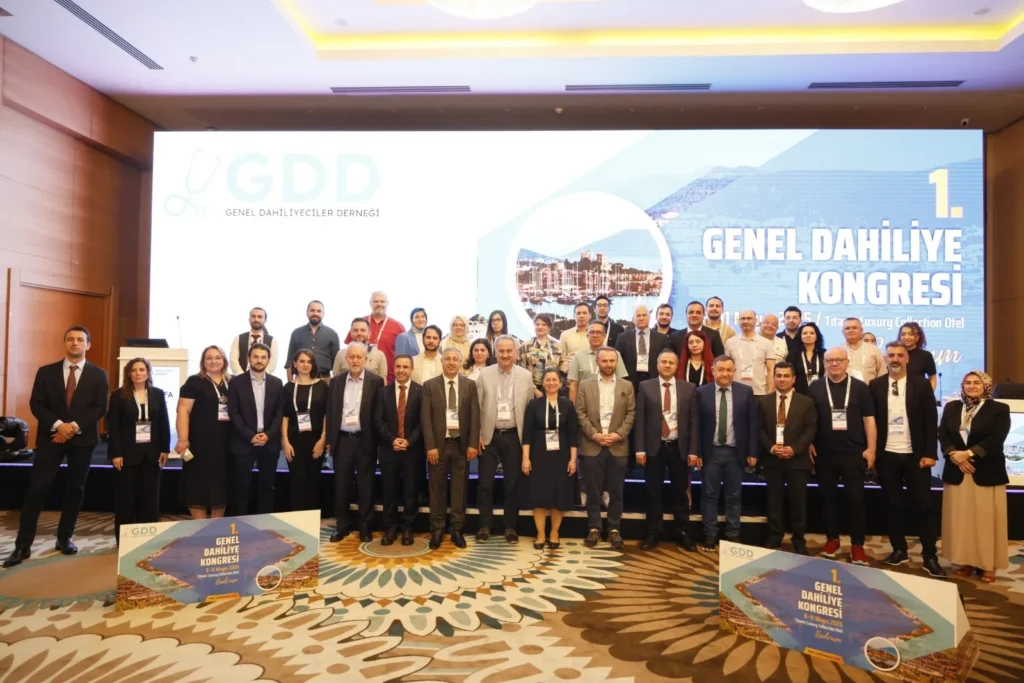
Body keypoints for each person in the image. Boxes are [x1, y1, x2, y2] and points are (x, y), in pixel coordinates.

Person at [5, 326, 109, 568]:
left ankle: (64, 538)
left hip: (82, 441)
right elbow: (36, 404)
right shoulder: (46, 372)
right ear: (65, 343)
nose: (75, 343)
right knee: (37, 490)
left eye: (80, 339)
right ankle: (22, 545)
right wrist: (59, 426)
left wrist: (72, 428)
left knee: (75, 490)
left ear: (88, 345)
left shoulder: (99, 375)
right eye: (70, 339)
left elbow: (99, 408)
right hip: (50, 439)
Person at [869, 342, 943, 577]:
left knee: (923, 506)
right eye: (891, 355)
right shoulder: (875, 385)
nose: (896, 359)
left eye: (900, 355)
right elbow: (871, 421)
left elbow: (931, 420)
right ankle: (899, 550)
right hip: (886, 456)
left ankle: (929, 556)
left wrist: (930, 453)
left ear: (907, 359)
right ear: (885, 358)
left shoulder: (921, 384)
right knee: (892, 505)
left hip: (916, 457)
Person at [939, 371, 1011, 583]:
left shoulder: (999, 409)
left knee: (985, 521)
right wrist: (955, 456)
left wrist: (969, 454)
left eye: (976, 382)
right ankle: (966, 561)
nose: (971, 386)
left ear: (986, 385)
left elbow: (996, 438)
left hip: (986, 472)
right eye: (967, 383)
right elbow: (943, 433)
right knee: (962, 520)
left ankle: (988, 565)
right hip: (957, 471)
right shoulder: (952, 407)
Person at [809, 347, 876, 566]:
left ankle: (857, 545)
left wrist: (871, 449)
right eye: (830, 360)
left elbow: (869, 420)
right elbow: (808, 420)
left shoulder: (860, 387)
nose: (834, 363)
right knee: (827, 499)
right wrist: (809, 443)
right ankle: (832, 540)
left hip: (853, 453)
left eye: (839, 360)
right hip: (824, 454)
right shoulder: (815, 387)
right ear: (824, 364)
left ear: (847, 362)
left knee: (856, 500)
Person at [635, 349, 699, 551]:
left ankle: (682, 532)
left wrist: (693, 451)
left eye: (671, 362)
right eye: (664, 362)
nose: (668, 365)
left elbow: (694, 422)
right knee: (653, 492)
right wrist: (640, 449)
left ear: (677, 365)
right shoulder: (645, 387)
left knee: (680, 492)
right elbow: (640, 420)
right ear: (657, 365)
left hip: (679, 448)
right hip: (654, 449)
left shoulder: (689, 388)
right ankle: (653, 533)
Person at [695, 355, 759, 552]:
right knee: (709, 495)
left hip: (736, 452)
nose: (725, 373)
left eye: (729, 370)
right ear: (713, 371)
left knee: (734, 496)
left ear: (734, 371)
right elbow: (696, 425)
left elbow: (753, 424)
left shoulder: (745, 392)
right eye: (721, 369)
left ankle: (733, 533)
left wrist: (752, 451)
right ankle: (710, 534)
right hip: (711, 452)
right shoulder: (701, 392)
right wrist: (697, 452)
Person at [575, 347, 636, 549]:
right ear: (597, 362)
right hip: (592, 444)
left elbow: (631, 414)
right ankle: (594, 528)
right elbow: (580, 413)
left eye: (612, 360)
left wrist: (618, 434)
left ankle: (614, 529)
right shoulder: (585, 385)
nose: (608, 364)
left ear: (616, 362)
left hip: (618, 445)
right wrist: (594, 434)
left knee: (616, 491)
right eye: (604, 361)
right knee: (592, 491)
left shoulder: (627, 385)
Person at [476, 336, 535, 543]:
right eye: (501, 351)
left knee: (512, 485)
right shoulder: (484, 374)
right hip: (489, 436)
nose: (505, 354)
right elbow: (476, 407)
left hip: (513, 436)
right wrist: (477, 435)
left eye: (509, 351)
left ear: (516, 353)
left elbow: (529, 410)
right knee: (485, 484)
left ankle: (510, 527)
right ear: (495, 352)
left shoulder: (526, 376)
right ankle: (484, 526)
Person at [421, 347, 480, 549]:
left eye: (455, 359)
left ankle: (456, 529)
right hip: (438, 448)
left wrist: (473, 444)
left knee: (459, 490)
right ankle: (437, 530)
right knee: (436, 490)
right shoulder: (429, 386)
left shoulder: (469, 385)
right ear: (442, 361)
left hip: (461, 446)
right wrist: (430, 446)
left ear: (460, 362)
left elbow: (475, 416)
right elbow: (426, 419)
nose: (451, 362)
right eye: (448, 359)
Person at [756, 362, 817, 554]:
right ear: (774, 378)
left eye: (786, 376)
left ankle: (798, 539)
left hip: (797, 460)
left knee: (798, 502)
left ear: (793, 379)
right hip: (772, 459)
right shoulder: (763, 402)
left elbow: (811, 429)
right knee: (774, 501)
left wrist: (794, 449)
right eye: (779, 375)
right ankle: (775, 536)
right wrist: (771, 447)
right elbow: (759, 429)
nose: (782, 379)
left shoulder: (806, 402)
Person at [107, 358, 170, 542]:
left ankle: (148, 540)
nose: (138, 373)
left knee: (150, 500)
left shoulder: (157, 394)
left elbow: (163, 422)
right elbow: (113, 426)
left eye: (142, 369)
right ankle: (125, 542)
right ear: (128, 373)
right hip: (126, 455)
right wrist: (115, 453)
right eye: (134, 370)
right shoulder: (118, 395)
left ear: (148, 372)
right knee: (125, 500)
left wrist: (165, 449)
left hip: (152, 454)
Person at [327, 342, 384, 542]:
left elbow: (379, 413)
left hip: (365, 440)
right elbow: (331, 411)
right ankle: (342, 524)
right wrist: (330, 439)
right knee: (341, 484)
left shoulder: (376, 381)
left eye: (359, 357)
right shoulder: (336, 382)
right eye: (352, 357)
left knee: (365, 484)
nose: (355, 360)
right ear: (346, 359)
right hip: (342, 440)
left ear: (365, 359)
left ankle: (365, 525)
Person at [521, 368, 578, 550]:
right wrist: (525, 458)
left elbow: (573, 435)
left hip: (562, 455)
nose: (551, 383)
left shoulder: (567, 405)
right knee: (539, 494)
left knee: (558, 495)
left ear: (560, 383)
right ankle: (540, 533)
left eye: (555, 380)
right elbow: (527, 434)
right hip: (538, 454)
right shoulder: (533, 404)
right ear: (542, 382)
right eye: (548, 379)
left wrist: (573, 459)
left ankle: (554, 532)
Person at [175, 345, 231, 520]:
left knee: (221, 485)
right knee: (196, 484)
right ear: (203, 361)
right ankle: (199, 526)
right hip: (199, 443)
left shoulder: (232, 381)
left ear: (224, 361)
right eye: (209, 358)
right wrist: (183, 439)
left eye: (218, 357)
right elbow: (183, 410)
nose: (213, 361)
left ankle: (215, 526)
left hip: (226, 444)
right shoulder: (194, 382)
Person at [228, 343, 284, 516]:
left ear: (268, 360)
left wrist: (268, 434)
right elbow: (233, 413)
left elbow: (279, 413)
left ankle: (264, 525)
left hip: (269, 443)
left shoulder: (277, 383)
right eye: (255, 357)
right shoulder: (236, 382)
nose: (259, 360)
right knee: (241, 488)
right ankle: (240, 525)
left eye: (263, 357)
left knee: (267, 487)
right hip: (244, 442)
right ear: (249, 358)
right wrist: (250, 436)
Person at [374, 354, 424, 546]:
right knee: (389, 490)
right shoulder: (383, 392)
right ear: (393, 369)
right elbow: (378, 420)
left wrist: (408, 441)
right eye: (398, 366)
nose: (401, 370)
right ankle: (390, 528)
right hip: (389, 449)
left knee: (411, 491)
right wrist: (392, 439)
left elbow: (422, 422)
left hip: (412, 450)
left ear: (412, 369)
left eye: (405, 367)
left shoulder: (420, 391)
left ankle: (408, 528)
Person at [281, 349, 328, 512]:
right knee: (297, 481)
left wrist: (323, 439)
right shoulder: (287, 388)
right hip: (294, 441)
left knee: (313, 481)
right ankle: (297, 521)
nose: (305, 365)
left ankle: (311, 521)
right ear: (295, 364)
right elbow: (285, 417)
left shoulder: (322, 386)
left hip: (316, 441)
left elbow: (326, 414)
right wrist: (285, 441)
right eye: (302, 361)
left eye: (309, 361)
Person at [346, 291, 405, 383]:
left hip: (389, 378)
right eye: (376, 301)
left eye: (382, 301)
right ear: (370, 303)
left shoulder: (398, 326)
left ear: (387, 304)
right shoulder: (359, 324)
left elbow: (403, 355)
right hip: (357, 377)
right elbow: (349, 349)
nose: (379, 304)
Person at [615, 305, 670, 394]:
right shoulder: (622, 337)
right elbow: (617, 361)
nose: (641, 318)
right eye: (638, 315)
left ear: (650, 317)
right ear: (633, 319)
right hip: (629, 381)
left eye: (644, 315)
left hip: (654, 380)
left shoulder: (662, 338)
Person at [568, 321, 627, 403]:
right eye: (592, 332)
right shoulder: (578, 356)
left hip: (609, 402)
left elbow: (621, 382)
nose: (595, 335)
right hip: (584, 403)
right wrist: (572, 408)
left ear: (604, 336)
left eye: (598, 332)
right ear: (587, 336)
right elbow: (574, 385)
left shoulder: (615, 354)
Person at [724, 310, 776, 396]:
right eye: (743, 319)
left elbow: (771, 370)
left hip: (759, 392)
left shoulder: (767, 343)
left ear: (755, 321)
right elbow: (726, 368)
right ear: (739, 321)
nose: (745, 321)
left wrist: (770, 394)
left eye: (749, 318)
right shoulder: (730, 342)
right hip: (735, 392)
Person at [286, 300, 340, 380]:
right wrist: (290, 383)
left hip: (324, 380)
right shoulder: (296, 333)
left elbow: (337, 363)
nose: (315, 313)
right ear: (307, 313)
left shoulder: (332, 334)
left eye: (319, 311)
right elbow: (290, 361)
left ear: (323, 314)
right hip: (301, 380)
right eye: (312, 310)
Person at [520, 314, 567, 395]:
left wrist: (558, 386)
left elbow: (563, 368)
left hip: (554, 387)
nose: (540, 327)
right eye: (537, 324)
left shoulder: (558, 346)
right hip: (532, 389)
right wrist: (535, 390)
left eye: (543, 324)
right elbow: (521, 370)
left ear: (549, 327)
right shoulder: (526, 346)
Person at [230, 307, 280, 375]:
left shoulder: (272, 340)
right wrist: (242, 377)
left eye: (260, 317)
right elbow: (233, 361)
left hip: (263, 379)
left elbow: (272, 363)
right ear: (249, 319)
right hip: (241, 378)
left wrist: (261, 377)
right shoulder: (238, 338)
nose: (256, 319)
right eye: (253, 316)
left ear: (265, 320)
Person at [842, 317, 885, 383]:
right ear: (843, 332)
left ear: (861, 330)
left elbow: (883, 375)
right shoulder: (837, 351)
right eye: (847, 328)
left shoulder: (875, 350)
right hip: (844, 389)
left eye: (854, 328)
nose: (851, 330)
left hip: (869, 389)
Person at [900, 322, 938, 392]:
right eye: (903, 334)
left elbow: (933, 379)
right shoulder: (895, 354)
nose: (906, 337)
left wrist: (928, 394)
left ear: (917, 337)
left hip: (919, 395)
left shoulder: (926, 356)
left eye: (911, 334)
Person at [790, 322, 825, 395]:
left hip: (822, 391)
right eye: (805, 333)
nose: (808, 335)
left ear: (817, 336)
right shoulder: (793, 354)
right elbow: (789, 372)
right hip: (799, 393)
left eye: (812, 333)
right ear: (800, 336)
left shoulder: (824, 354)